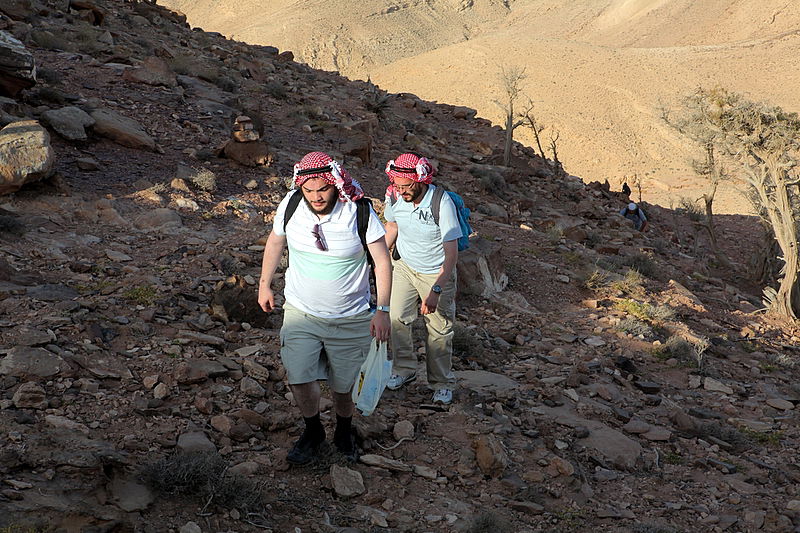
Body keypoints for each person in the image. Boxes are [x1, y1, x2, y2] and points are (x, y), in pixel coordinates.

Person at [258, 151, 392, 465]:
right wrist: (265, 283)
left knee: (343, 387)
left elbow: (382, 263)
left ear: (335, 184)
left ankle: (344, 428)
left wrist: (383, 310)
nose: (316, 197)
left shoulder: (358, 211)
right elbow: (276, 241)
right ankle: (313, 429)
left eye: (323, 190)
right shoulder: (291, 205)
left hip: (351, 316)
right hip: (301, 312)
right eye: (309, 191)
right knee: (299, 377)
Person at [382, 153, 462, 405]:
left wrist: (436, 289)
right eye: (397, 185)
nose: (402, 191)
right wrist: (379, 261)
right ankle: (403, 370)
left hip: (436, 271)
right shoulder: (394, 195)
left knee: (438, 328)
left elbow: (451, 252)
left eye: (406, 186)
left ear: (420, 180)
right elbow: (392, 227)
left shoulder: (441, 202)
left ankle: (441, 383)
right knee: (396, 318)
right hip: (404, 265)